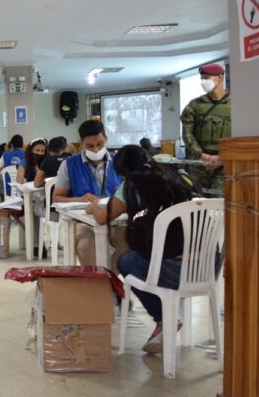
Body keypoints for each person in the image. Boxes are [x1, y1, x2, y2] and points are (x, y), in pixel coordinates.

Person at [88, 145, 200, 353]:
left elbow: (103, 218)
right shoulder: (176, 173)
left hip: (172, 270)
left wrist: (94, 207)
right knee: (145, 257)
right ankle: (166, 310)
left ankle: (163, 318)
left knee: (124, 261)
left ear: (122, 172)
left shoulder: (132, 184)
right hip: (207, 267)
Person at [53, 120, 127, 266]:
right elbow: (57, 198)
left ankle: (110, 282)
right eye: (90, 146)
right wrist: (80, 199)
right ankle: (98, 284)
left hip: (115, 220)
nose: (95, 149)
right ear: (81, 143)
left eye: (99, 144)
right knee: (85, 246)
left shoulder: (119, 162)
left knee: (127, 246)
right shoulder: (69, 164)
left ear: (106, 139)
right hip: (83, 222)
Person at [180, 63, 231, 193]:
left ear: (219, 78)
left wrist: (222, 157)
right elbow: (187, 134)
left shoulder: (235, 104)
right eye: (202, 79)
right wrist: (203, 156)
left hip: (225, 162)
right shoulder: (195, 105)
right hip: (199, 163)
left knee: (220, 202)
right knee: (198, 200)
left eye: (207, 78)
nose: (203, 82)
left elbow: (242, 135)